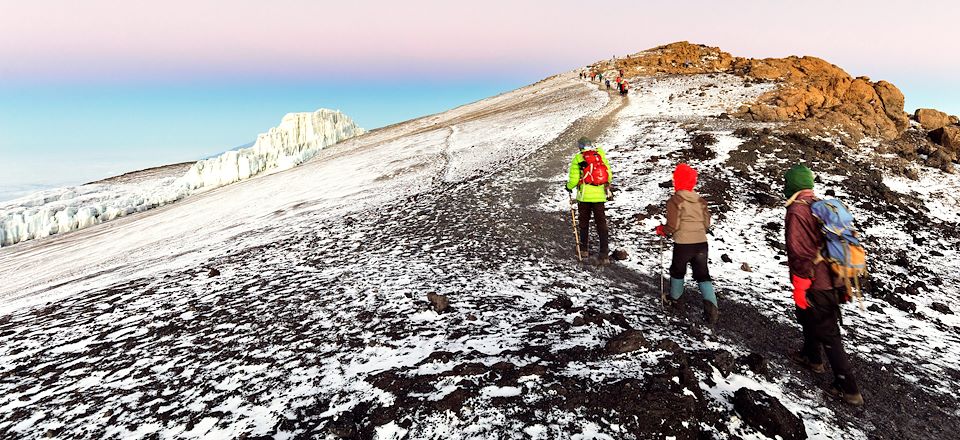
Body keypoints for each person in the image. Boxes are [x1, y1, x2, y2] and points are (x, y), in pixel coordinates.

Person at [783, 164, 864, 406]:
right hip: (835, 277)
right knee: (807, 315)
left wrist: (800, 284)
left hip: (816, 282)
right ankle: (812, 357)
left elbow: (799, 252)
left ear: (792, 186)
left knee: (828, 332)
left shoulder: (797, 211)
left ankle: (848, 388)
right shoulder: (819, 206)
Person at [655, 164, 717, 323]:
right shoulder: (701, 201)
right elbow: (706, 223)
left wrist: (663, 230)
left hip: (683, 243)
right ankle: (712, 310)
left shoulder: (675, 200)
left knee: (677, 271)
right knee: (702, 274)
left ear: (677, 180)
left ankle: (675, 301)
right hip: (701, 243)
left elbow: (673, 225)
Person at [566, 137, 612, 264]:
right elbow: (609, 173)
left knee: (584, 222)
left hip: (585, 196)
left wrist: (568, 187)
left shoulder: (578, 158)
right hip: (599, 196)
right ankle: (604, 254)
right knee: (601, 223)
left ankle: (584, 249)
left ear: (580, 146)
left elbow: (574, 180)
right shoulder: (600, 155)